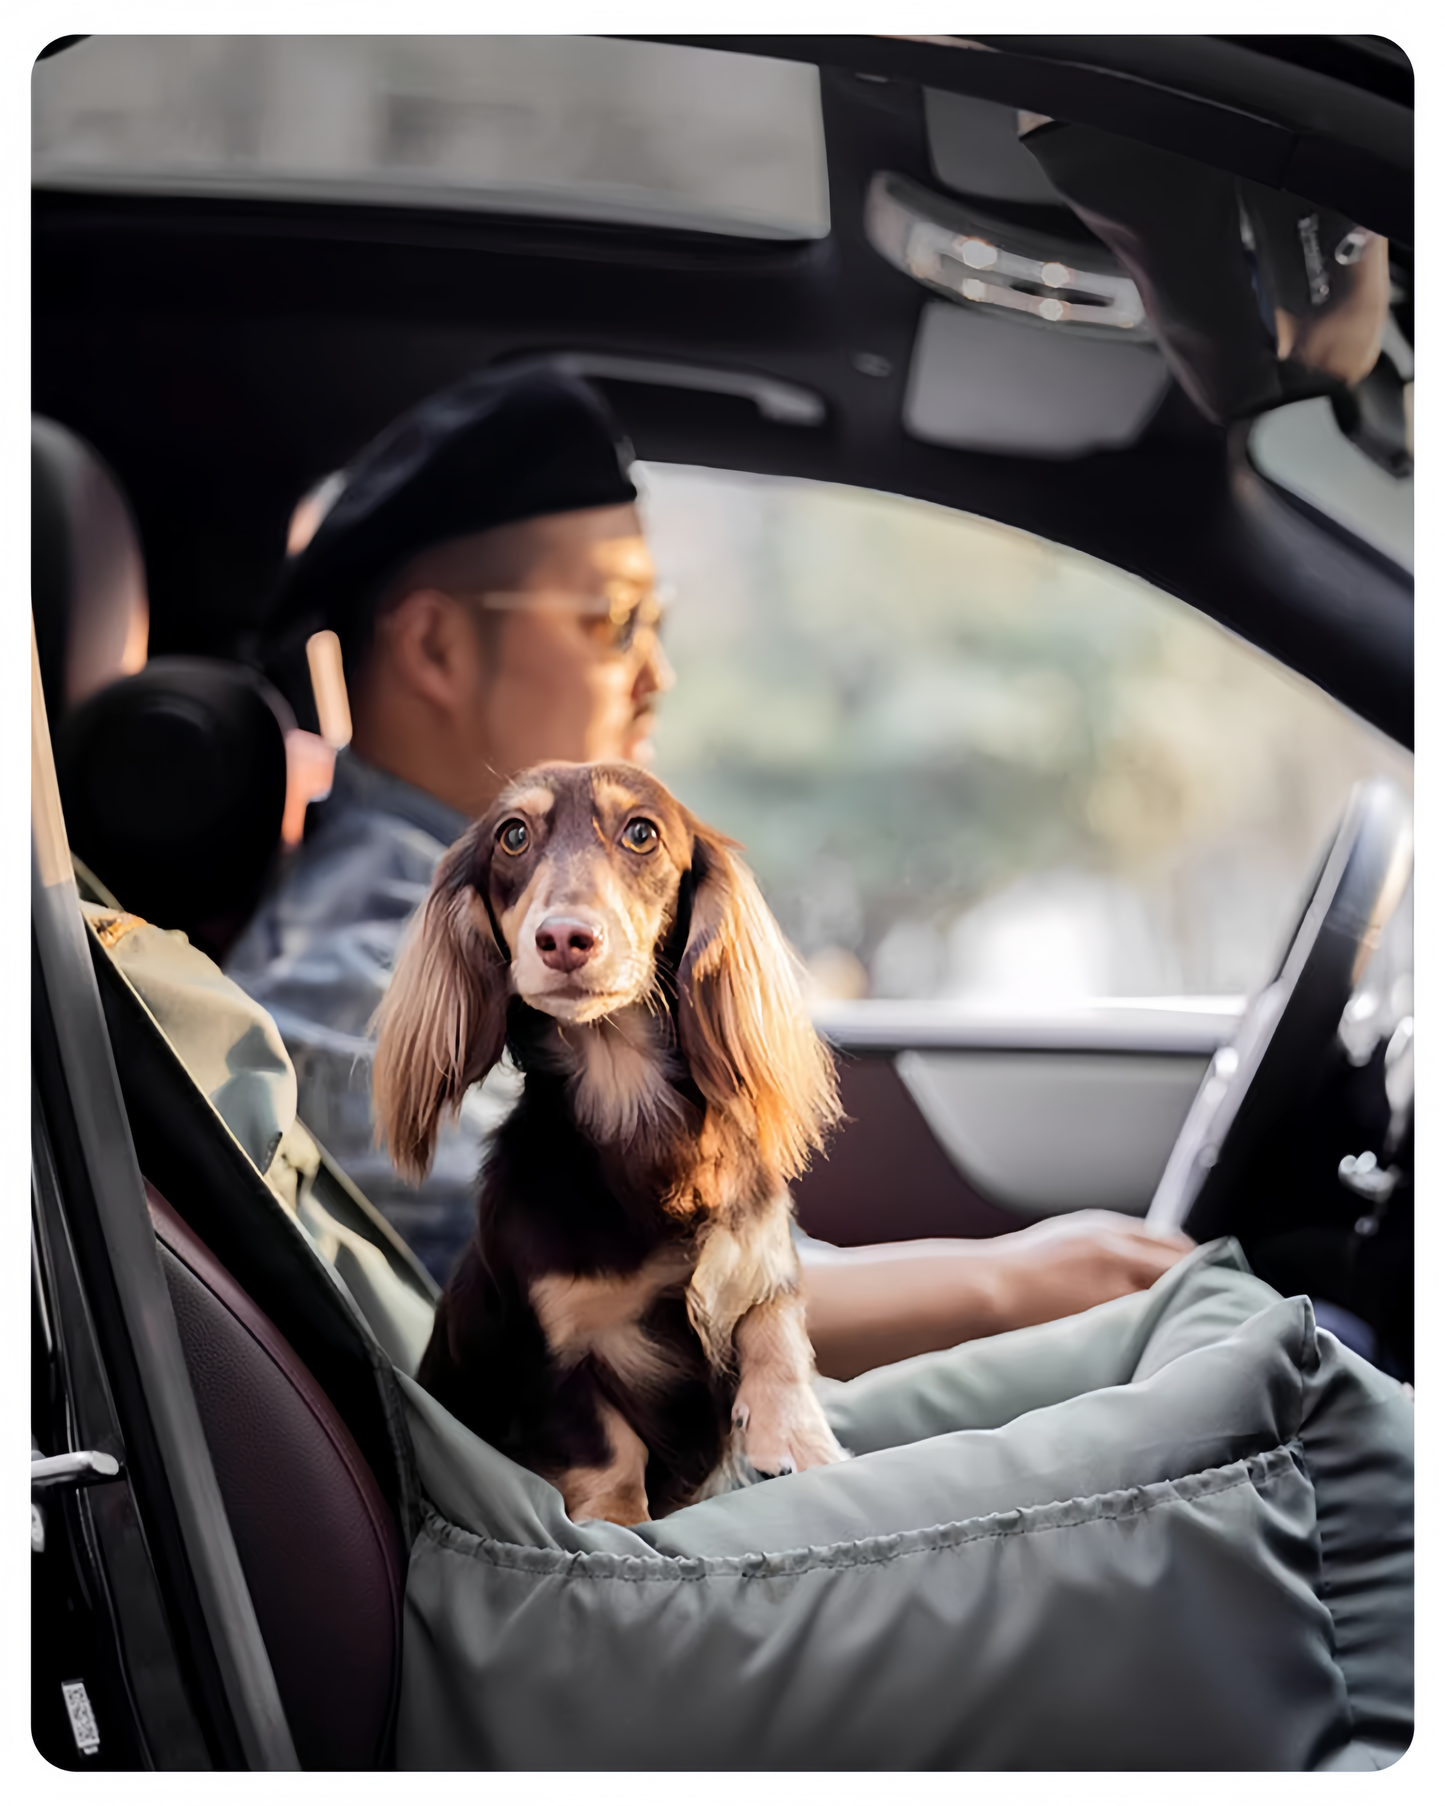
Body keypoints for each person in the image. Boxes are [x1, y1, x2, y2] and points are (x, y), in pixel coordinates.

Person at [227, 362, 1190, 1368]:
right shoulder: (358, 975)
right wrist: (1017, 1285)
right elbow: (590, 1316)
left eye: (660, 623)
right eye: (616, 621)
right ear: (433, 648)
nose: (658, 675)